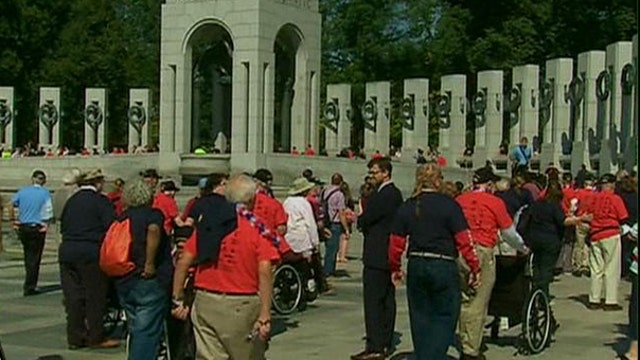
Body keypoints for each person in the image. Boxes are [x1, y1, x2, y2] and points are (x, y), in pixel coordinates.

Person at [171, 174, 280, 359]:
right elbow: (265, 270)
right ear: (252, 199)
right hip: (241, 303)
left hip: (206, 299)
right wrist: (265, 313)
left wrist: (177, 297)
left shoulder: (211, 224)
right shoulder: (257, 229)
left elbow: (184, 260)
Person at [388, 164, 480, 360]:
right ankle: (434, 356)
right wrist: (474, 266)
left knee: (420, 315)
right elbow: (464, 239)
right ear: (439, 180)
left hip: (417, 263)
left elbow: (396, 243)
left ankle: (424, 354)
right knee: (446, 314)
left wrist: (395, 267)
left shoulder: (409, 205)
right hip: (443, 263)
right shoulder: (449, 205)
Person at [455, 167, 528, 360]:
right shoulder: (494, 202)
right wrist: (522, 248)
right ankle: (471, 348)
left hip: (460, 250)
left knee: (464, 298)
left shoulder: (460, 200)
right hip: (482, 250)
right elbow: (508, 232)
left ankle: (465, 338)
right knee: (479, 300)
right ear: (488, 184)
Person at [59, 169, 118, 349]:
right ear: (98, 183)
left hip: (68, 250)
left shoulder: (72, 201)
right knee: (95, 296)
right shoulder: (101, 201)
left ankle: (75, 337)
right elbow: (111, 226)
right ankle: (96, 336)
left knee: (74, 296)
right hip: (90, 251)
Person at [352, 157, 403, 360]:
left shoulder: (386, 195)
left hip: (378, 253)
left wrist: (359, 218)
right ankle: (383, 342)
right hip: (384, 253)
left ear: (385, 173)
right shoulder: (389, 194)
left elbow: (368, 218)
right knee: (385, 299)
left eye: (374, 173)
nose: (371, 176)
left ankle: (376, 345)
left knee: (375, 301)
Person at [116, 180, 173, 359]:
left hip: (125, 277)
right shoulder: (152, 214)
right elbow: (154, 230)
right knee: (146, 331)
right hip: (147, 278)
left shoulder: (122, 217)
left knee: (135, 327)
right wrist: (150, 263)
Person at [524, 181, 591, 299]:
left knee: (537, 267)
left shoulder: (536, 204)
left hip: (535, 239)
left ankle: (535, 292)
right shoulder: (554, 205)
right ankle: (543, 294)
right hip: (550, 240)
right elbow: (563, 221)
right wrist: (580, 219)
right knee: (546, 269)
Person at [585, 173, 628, 311]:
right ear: (612, 184)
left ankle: (594, 299)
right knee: (611, 268)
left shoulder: (594, 198)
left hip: (595, 234)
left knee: (596, 269)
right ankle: (610, 300)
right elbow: (623, 216)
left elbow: (588, 215)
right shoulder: (616, 199)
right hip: (610, 233)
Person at [9, 170, 53, 296]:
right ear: (43, 181)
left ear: (32, 179)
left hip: (23, 226)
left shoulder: (23, 191)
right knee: (35, 257)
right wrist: (46, 225)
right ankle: (30, 285)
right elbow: (48, 211)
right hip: (37, 227)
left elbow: (11, 204)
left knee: (28, 255)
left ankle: (29, 281)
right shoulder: (45, 193)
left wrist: (13, 220)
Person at [321, 173, 349, 277]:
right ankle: (328, 270)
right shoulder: (339, 194)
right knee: (333, 248)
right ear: (341, 182)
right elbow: (341, 212)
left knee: (328, 246)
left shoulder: (324, 191)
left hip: (325, 221)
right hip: (335, 222)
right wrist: (346, 228)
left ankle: (328, 269)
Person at [573, 172, 597, 277]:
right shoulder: (596, 195)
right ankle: (587, 265)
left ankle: (578, 266)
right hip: (592, 221)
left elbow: (573, 205)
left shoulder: (579, 193)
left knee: (579, 245)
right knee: (591, 245)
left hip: (581, 220)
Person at [338, 181, 356, 263]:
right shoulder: (349, 199)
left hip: (337, 219)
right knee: (345, 238)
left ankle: (338, 255)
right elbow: (352, 208)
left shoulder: (337, 196)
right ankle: (342, 255)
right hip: (347, 220)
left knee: (338, 238)